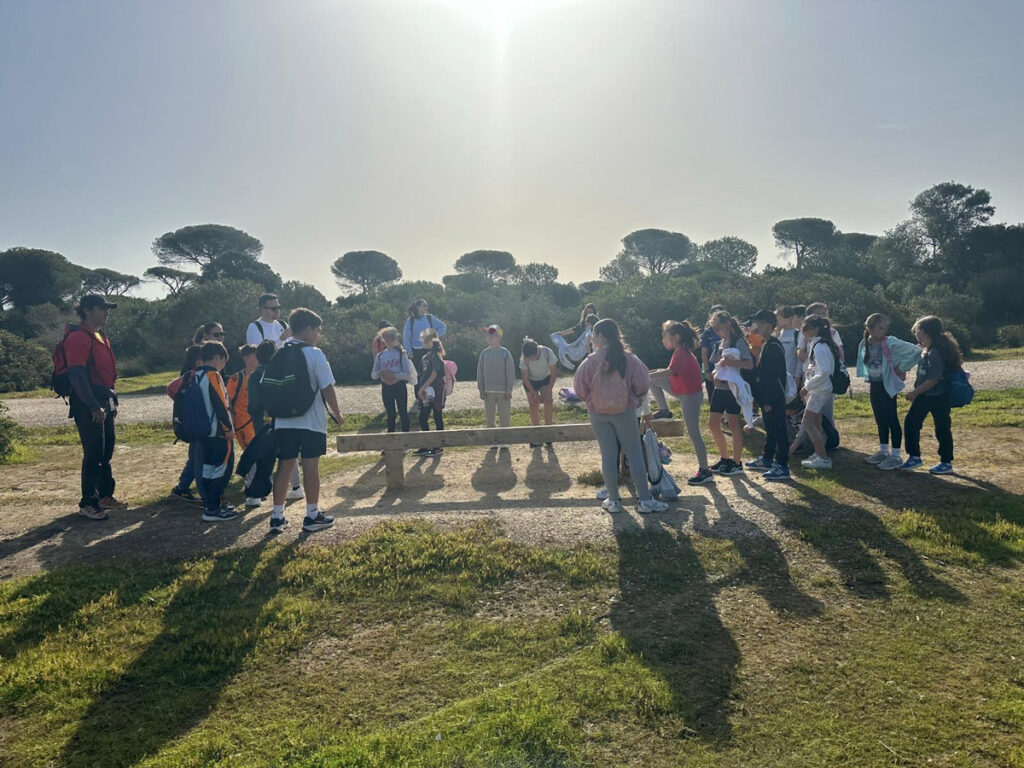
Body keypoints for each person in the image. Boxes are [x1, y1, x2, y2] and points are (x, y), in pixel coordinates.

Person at [573, 318, 668, 515]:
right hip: (624, 411)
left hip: (598, 414)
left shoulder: (590, 361)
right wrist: (632, 399)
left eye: (593, 334)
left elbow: (579, 390)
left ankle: (613, 500)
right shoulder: (629, 358)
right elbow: (643, 383)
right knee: (634, 455)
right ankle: (644, 500)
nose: (591, 338)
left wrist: (592, 402)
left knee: (608, 455)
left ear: (600, 336)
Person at [269, 308, 344, 533]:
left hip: (283, 420)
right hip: (310, 421)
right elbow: (327, 387)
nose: (318, 335)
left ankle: (277, 516)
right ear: (309, 329)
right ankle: (312, 515)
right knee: (310, 466)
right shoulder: (314, 353)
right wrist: (337, 413)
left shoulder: (279, 352)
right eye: (318, 330)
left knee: (284, 466)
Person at [65, 294, 124, 520]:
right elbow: (77, 375)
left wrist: (110, 402)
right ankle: (87, 501)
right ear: (88, 310)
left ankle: (105, 495)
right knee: (93, 453)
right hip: (88, 403)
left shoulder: (99, 335)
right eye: (102, 308)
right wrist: (92, 406)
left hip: (103, 399)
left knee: (106, 449)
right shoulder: (79, 338)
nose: (106, 312)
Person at [647, 321, 712, 486]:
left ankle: (705, 470)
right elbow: (669, 371)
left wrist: (646, 375)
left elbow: (671, 371)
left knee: (694, 433)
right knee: (652, 379)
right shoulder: (679, 351)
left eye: (665, 337)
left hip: (689, 396)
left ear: (676, 337)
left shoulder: (682, 352)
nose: (663, 341)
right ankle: (664, 411)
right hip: (682, 392)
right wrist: (651, 373)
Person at [856, 313, 922, 471]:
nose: (883, 331)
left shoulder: (890, 342)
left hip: (888, 386)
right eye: (880, 328)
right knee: (880, 418)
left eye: (885, 328)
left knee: (891, 418)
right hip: (875, 384)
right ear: (869, 329)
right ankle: (883, 451)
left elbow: (915, 351)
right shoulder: (866, 343)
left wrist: (901, 367)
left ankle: (896, 455)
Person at [899, 316, 961, 474]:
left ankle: (922, 459)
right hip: (932, 395)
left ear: (925, 332)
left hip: (933, 395)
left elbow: (933, 379)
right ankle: (941, 461)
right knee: (940, 427)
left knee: (916, 424)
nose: (915, 332)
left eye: (917, 329)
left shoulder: (934, 352)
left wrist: (915, 392)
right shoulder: (927, 349)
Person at [192, 341, 238, 521]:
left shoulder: (195, 375)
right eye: (224, 360)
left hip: (202, 431)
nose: (223, 365)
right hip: (218, 431)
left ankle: (209, 504)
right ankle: (215, 508)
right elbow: (220, 402)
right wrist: (228, 427)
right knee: (221, 469)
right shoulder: (213, 376)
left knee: (207, 469)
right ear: (219, 357)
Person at [743, 310, 792, 481]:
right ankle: (767, 458)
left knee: (779, 430)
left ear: (768, 325)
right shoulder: (766, 344)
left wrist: (768, 400)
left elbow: (771, 376)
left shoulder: (772, 347)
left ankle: (782, 465)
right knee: (770, 429)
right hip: (768, 396)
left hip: (774, 396)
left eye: (758, 323)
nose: (755, 327)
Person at [707, 310, 753, 475]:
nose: (716, 331)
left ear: (727, 324)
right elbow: (717, 365)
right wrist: (714, 374)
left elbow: (749, 364)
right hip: (719, 388)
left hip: (733, 388)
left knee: (734, 424)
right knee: (713, 423)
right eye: (714, 329)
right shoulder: (720, 343)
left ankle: (737, 462)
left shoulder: (739, 341)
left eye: (718, 328)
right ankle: (725, 458)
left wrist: (731, 363)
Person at [792, 314, 839, 470]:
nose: (803, 332)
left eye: (805, 328)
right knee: (816, 421)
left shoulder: (820, 346)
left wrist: (807, 387)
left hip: (820, 389)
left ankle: (824, 458)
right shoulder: (818, 344)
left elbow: (824, 371)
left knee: (807, 422)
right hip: (818, 388)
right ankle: (819, 452)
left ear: (815, 329)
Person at [170, 344, 204, 504]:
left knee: (194, 458)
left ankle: (182, 487)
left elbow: (171, 389)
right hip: (198, 425)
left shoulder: (186, 377)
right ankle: (200, 492)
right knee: (198, 459)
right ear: (198, 361)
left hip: (189, 425)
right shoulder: (196, 377)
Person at [371, 326, 417, 433]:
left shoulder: (402, 354)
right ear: (383, 339)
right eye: (386, 337)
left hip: (399, 386)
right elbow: (373, 375)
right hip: (386, 387)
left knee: (403, 412)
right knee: (390, 414)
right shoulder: (380, 356)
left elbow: (407, 374)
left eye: (392, 337)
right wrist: (381, 374)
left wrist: (393, 376)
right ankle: (390, 439)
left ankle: (406, 437)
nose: (389, 339)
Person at [477, 324, 516, 444]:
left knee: (504, 417)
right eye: (490, 336)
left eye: (494, 336)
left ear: (499, 337)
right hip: (488, 391)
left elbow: (510, 372)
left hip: (503, 391)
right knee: (490, 418)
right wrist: (481, 389)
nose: (491, 338)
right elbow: (480, 372)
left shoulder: (505, 353)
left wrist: (509, 389)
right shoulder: (484, 353)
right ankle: (493, 440)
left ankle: (505, 440)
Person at [402, 299, 447, 400]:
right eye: (423, 305)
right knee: (418, 375)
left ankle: (432, 396)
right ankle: (419, 398)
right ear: (417, 307)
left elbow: (443, 327)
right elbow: (406, 337)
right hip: (416, 351)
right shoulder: (411, 320)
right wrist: (409, 351)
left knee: (431, 373)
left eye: (426, 305)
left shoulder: (430, 318)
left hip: (429, 350)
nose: (426, 307)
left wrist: (432, 338)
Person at [520, 336, 558, 446]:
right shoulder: (524, 358)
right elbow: (525, 378)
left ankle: (548, 434)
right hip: (531, 381)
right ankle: (536, 434)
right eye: (530, 358)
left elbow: (554, 372)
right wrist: (534, 393)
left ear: (537, 350)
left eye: (534, 357)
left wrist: (549, 388)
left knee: (548, 402)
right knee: (533, 405)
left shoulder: (547, 352)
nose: (533, 359)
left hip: (546, 378)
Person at [416, 328, 447, 457]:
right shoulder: (425, 357)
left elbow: (434, 375)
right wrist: (420, 388)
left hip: (436, 390)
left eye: (424, 339)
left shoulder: (436, 356)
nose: (422, 341)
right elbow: (421, 374)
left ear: (430, 341)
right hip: (425, 391)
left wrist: (423, 387)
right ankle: (426, 444)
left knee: (437, 415)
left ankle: (438, 446)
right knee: (423, 417)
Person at [226, 344, 259, 450]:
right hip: (242, 423)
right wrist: (230, 421)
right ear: (246, 358)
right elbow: (228, 399)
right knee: (251, 453)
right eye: (256, 356)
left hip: (258, 423)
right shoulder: (237, 378)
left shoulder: (261, 376)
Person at [700, 305, 726, 400]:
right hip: (711, 369)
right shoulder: (707, 333)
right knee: (713, 399)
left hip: (727, 369)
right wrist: (707, 371)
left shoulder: (730, 330)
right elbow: (704, 353)